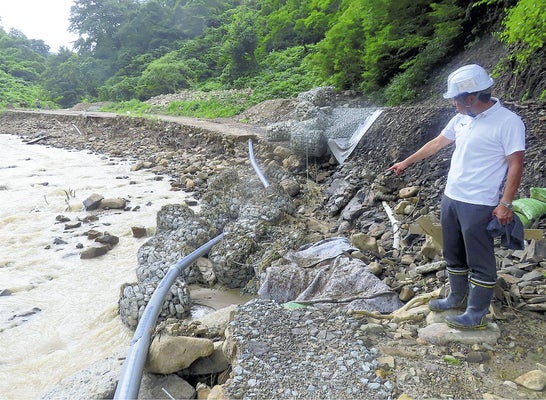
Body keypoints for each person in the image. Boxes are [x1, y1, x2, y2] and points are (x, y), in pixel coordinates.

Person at [387, 64, 525, 330]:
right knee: (453, 251)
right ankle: (456, 297)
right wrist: (406, 162)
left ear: (472, 97)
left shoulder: (508, 122)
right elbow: (437, 143)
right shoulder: (462, 118)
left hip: (479, 203)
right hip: (452, 196)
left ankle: (476, 313)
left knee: (479, 259)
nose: (452, 103)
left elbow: (516, 164)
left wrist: (505, 203)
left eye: (455, 98)